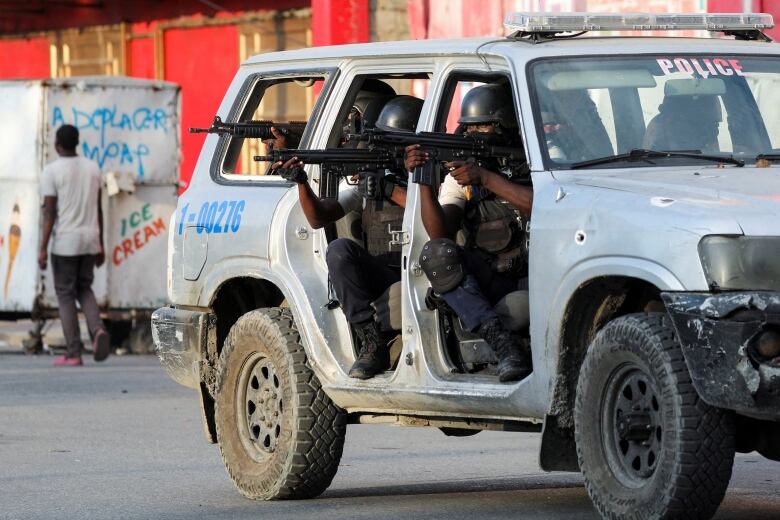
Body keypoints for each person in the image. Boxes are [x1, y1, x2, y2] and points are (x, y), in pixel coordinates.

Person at [275, 94, 424, 379]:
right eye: (386, 142)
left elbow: (435, 213)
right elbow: (318, 218)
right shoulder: (372, 182)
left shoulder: (437, 176)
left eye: (399, 143)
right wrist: (301, 181)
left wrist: (391, 191)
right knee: (339, 251)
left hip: (427, 270)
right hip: (386, 273)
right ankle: (371, 341)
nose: (393, 150)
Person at [405, 83, 533, 382]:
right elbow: (440, 232)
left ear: (507, 126)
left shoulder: (533, 160)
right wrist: (423, 180)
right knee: (437, 254)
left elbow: (539, 204)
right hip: (491, 277)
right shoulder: (463, 176)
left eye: (484, 126)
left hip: (538, 276)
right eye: (470, 128)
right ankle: (503, 345)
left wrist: (487, 178)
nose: (475, 134)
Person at [39, 124, 110, 366]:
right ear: (77, 143)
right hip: (90, 239)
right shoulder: (93, 168)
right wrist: (101, 244)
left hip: (65, 243)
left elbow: (49, 213)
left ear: (58, 145)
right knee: (84, 288)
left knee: (65, 294)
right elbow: (99, 209)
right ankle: (98, 330)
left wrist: (42, 247)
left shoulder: (52, 171)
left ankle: (73, 352)